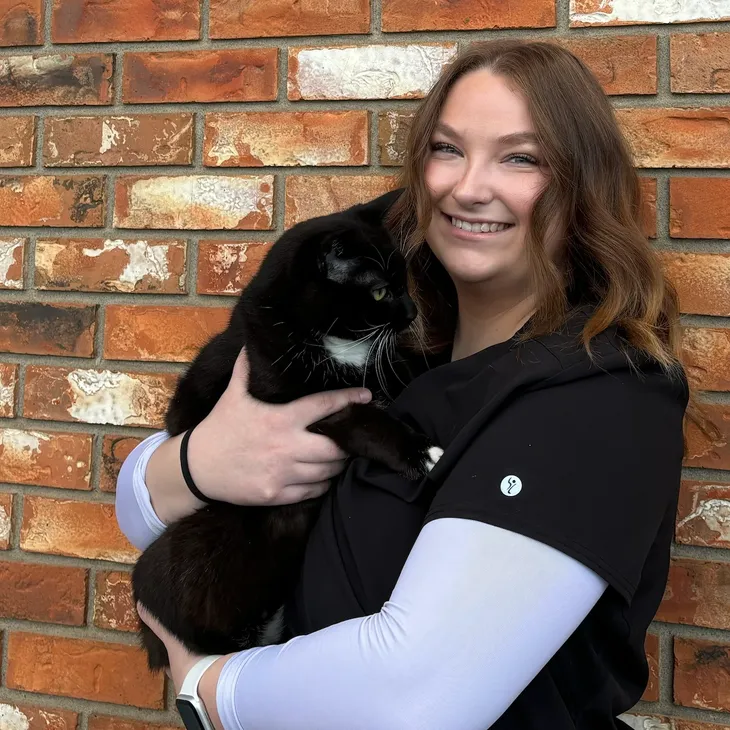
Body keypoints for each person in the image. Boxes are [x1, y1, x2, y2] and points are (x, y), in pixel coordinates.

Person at [116, 39, 690, 730]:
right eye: (447, 149)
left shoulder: (598, 394)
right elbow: (140, 506)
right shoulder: (388, 334)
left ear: (580, 182)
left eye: (521, 157)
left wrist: (209, 689)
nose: (468, 186)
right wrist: (200, 464)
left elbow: (413, 697)